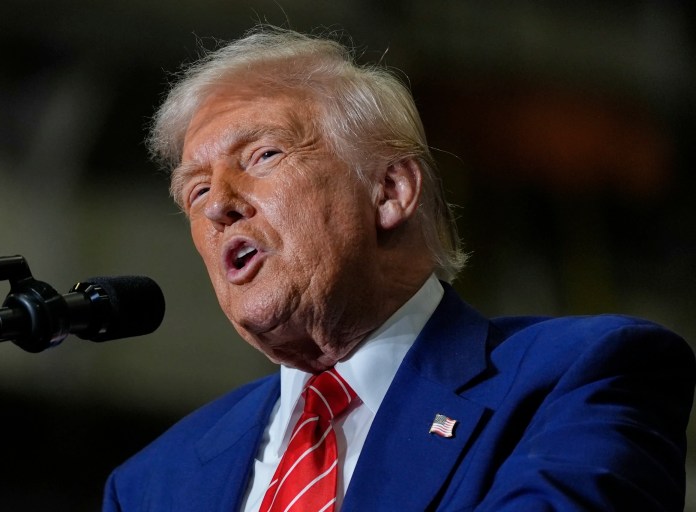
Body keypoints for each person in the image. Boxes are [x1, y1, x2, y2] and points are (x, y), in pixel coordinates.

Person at [102, 26, 695, 511]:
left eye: (263, 155)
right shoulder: (152, 484)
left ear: (389, 191)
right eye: (195, 192)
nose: (219, 205)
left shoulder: (579, 377)